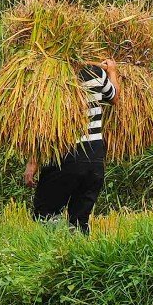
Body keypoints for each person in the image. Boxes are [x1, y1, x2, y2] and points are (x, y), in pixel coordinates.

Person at [22, 56, 119, 233]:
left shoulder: (51, 77)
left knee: (45, 214)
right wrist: (112, 71)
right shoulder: (96, 72)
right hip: (94, 158)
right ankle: (78, 254)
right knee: (80, 221)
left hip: (66, 156)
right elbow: (113, 97)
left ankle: (53, 254)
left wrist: (33, 162)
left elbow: (45, 125)